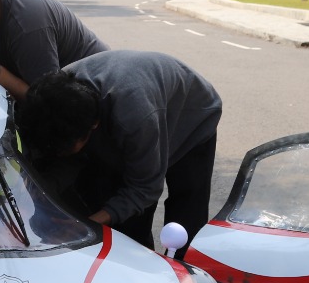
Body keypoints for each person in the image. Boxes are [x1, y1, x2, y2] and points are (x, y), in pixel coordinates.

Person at [14, 50, 222, 251]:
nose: (59, 153)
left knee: (183, 216)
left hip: (192, 117)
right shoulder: (53, 99)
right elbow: (62, 161)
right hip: (130, 105)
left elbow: (144, 188)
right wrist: (38, 194)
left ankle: (178, 271)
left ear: (93, 126)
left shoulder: (135, 117)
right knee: (105, 197)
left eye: (64, 149)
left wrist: (87, 226)